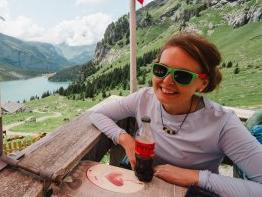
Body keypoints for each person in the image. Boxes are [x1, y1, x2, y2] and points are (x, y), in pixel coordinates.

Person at [90, 32, 262, 197]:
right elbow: (97, 114)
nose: (166, 81)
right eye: (161, 70)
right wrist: (125, 140)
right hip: (144, 186)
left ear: (202, 83)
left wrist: (196, 177)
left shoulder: (222, 122)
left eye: (182, 76)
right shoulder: (144, 98)